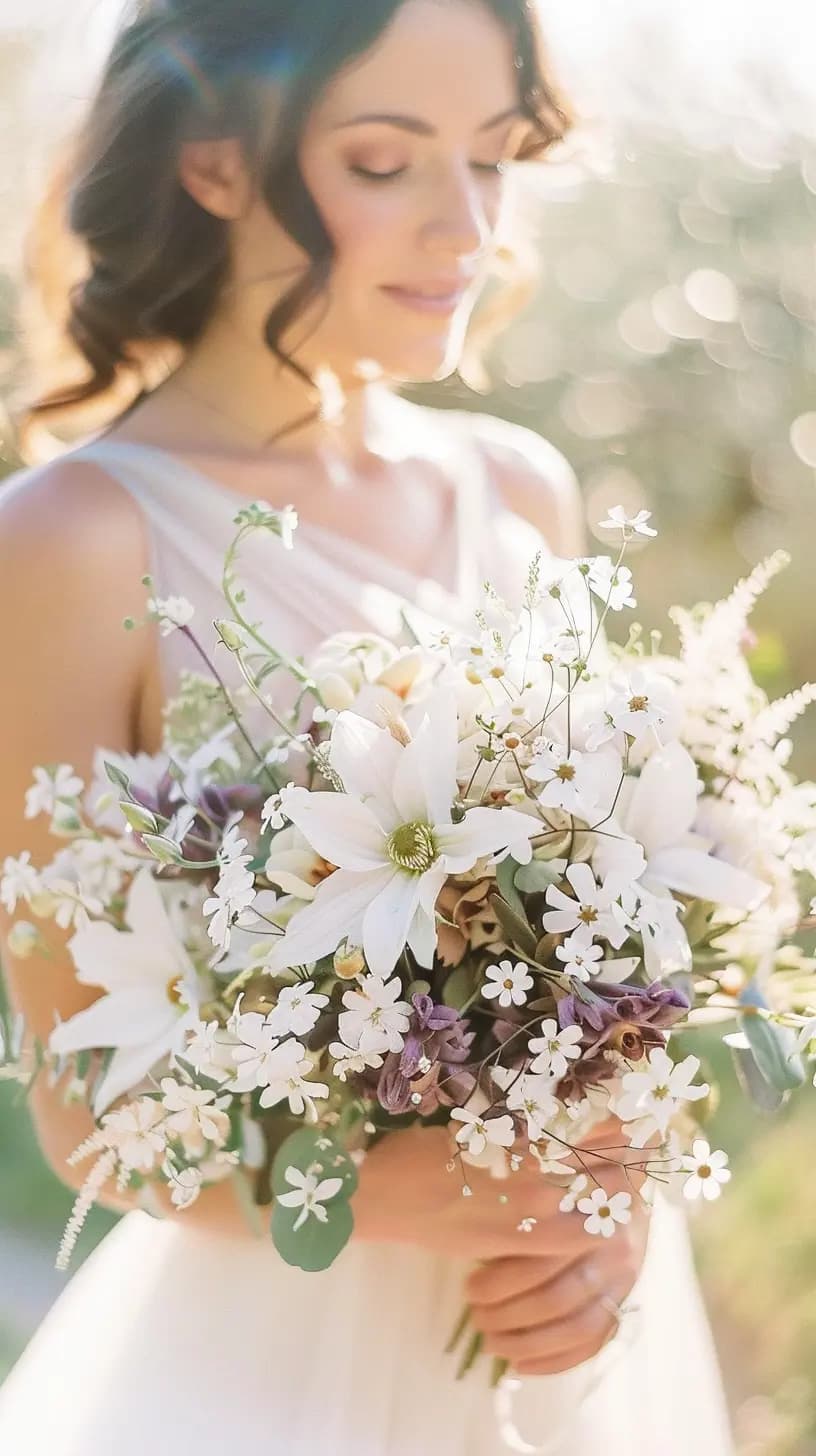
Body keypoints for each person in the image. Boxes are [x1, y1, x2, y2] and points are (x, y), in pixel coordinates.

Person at [0, 2, 735, 1451]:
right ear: (214, 162)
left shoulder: (519, 493)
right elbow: (84, 1109)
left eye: (495, 158)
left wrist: (611, 1203)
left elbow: (631, 954)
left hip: (577, 1327)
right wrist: (420, 1194)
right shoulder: (73, 543)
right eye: (389, 164)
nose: (463, 225)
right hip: (272, 1359)